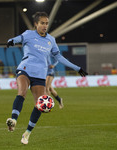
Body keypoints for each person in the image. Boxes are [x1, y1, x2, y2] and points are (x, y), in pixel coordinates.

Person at [6, 12, 88, 145]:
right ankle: (14, 119)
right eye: (42, 23)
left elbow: (59, 57)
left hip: (40, 74)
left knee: (40, 104)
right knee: (22, 92)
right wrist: (12, 41)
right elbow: (18, 38)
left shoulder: (51, 40)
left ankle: (27, 134)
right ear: (36, 24)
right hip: (25, 68)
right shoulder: (28, 34)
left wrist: (77, 68)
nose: (45, 26)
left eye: (46, 23)